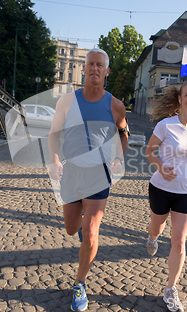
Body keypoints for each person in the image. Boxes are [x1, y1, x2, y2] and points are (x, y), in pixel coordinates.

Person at [48, 48, 129, 311]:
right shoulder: (66, 102)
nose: (95, 69)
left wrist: (118, 158)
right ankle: (84, 230)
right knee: (72, 229)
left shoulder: (116, 105)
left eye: (100, 65)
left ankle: (80, 283)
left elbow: (124, 133)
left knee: (92, 233)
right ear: (83, 69)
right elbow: (53, 135)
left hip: (98, 174)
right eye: (90, 64)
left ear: (107, 72)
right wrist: (55, 160)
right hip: (72, 172)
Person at [145, 82, 187, 312]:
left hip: (186, 191)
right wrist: (161, 168)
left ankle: (170, 289)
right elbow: (149, 151)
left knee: (179, 240)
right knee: (157, 228)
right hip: (161, 188)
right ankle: (152, 238)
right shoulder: (166, 125)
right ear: (180, 99)